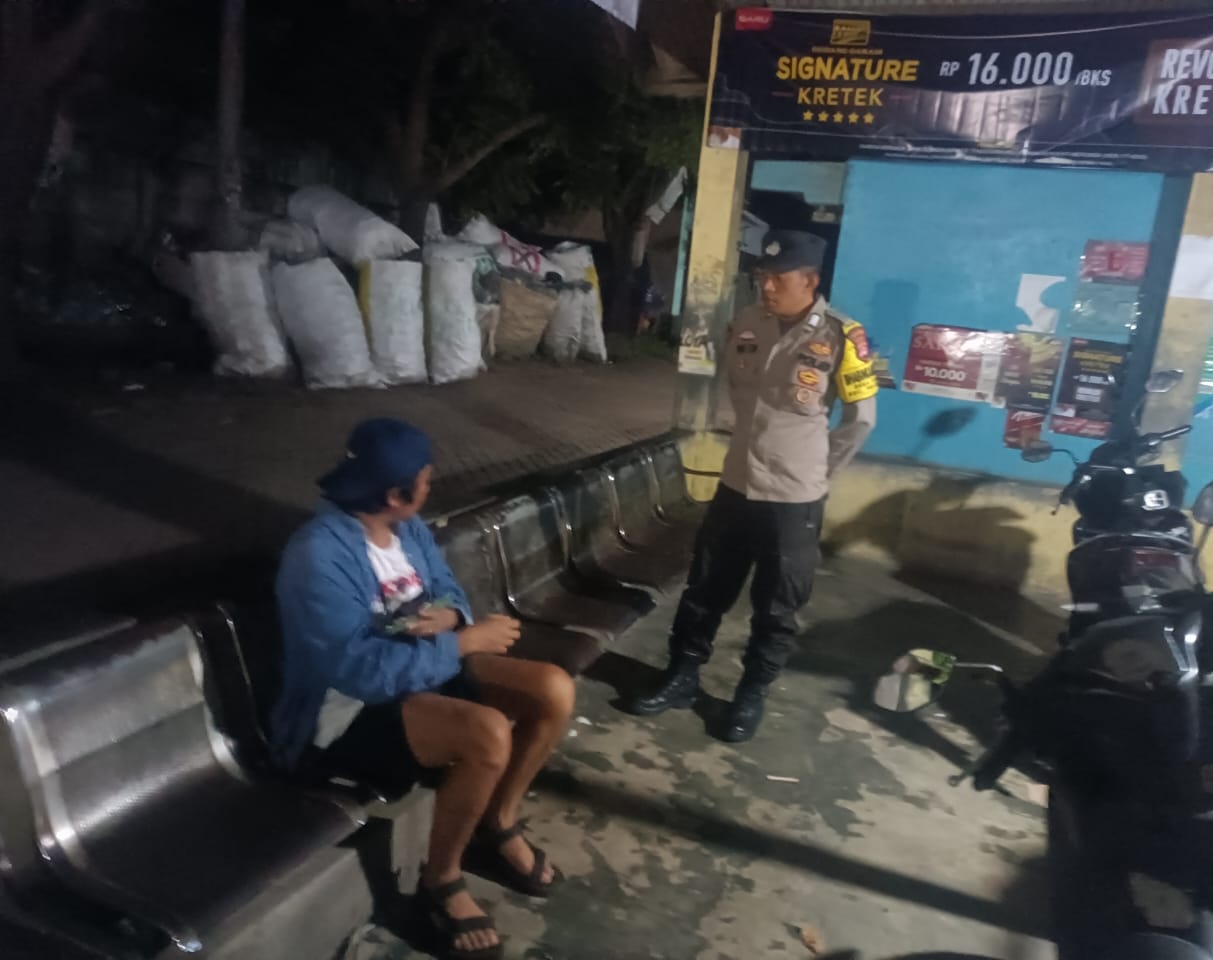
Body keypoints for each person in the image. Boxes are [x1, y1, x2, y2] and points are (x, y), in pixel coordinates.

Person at [271, 418, 575, 960]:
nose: (431, 486)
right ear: (395, 493)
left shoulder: (406, 528)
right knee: (487, 734)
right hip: (346, 712)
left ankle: (497, 823)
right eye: (426, 479)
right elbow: (358, 670)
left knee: (552, 688)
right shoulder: (318, 555)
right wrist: (462, 644)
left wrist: (452, 616)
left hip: (422, 670)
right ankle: (442, 879)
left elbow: (447, 587)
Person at [624, 229, 878, 743]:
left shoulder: (842, 336)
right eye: (763, 276)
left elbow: (861, 421)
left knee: (777, 608)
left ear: (810, 280)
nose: (767, 286)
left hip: (794, 499)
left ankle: (750, 695)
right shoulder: (746, 322)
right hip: (736, 484)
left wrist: (816, 474)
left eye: (778, 278)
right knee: (704, 590)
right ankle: (681, 676)